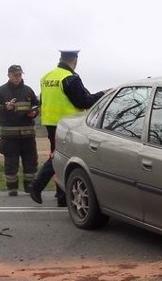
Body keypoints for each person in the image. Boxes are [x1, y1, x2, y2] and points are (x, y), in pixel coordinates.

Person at [27, 50, 106, 206]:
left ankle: (62, 195)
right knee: (60, 157)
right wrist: (103, 93)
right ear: (75, 60)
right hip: (68, 125)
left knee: (60, 157)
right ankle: (36, 186)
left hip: (51, 123)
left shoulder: (46, 77)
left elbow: (43, 100)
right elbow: (83, 102)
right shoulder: (69, 78)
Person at [0, 64, 40, 196]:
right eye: (15, 75)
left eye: (20, 75)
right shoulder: (1, 91)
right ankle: (12, 188)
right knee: (11, 163)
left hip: (28, 135)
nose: (18, 77)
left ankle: (30, 187)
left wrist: (35, 112)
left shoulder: (28, 91)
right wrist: (5, 107)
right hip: (9, 136)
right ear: (9, 75)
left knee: (31, 162)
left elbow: (36, 105)